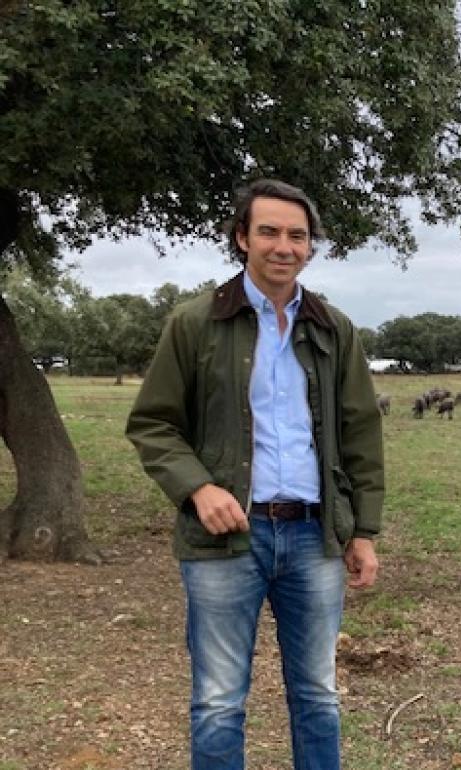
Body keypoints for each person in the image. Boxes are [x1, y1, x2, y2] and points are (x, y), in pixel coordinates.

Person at [126, 178, 384, 770]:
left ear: (310, 247)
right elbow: (154, 423)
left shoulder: (333, 328)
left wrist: (363, 530)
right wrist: (198, 486)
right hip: (224, 542)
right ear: (242, 238)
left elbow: (362, 433)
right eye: (268, 231)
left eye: (297, 235)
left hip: (315, 537)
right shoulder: (194, 324)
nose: (283, 246)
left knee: (318, 695)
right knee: (218, 702)